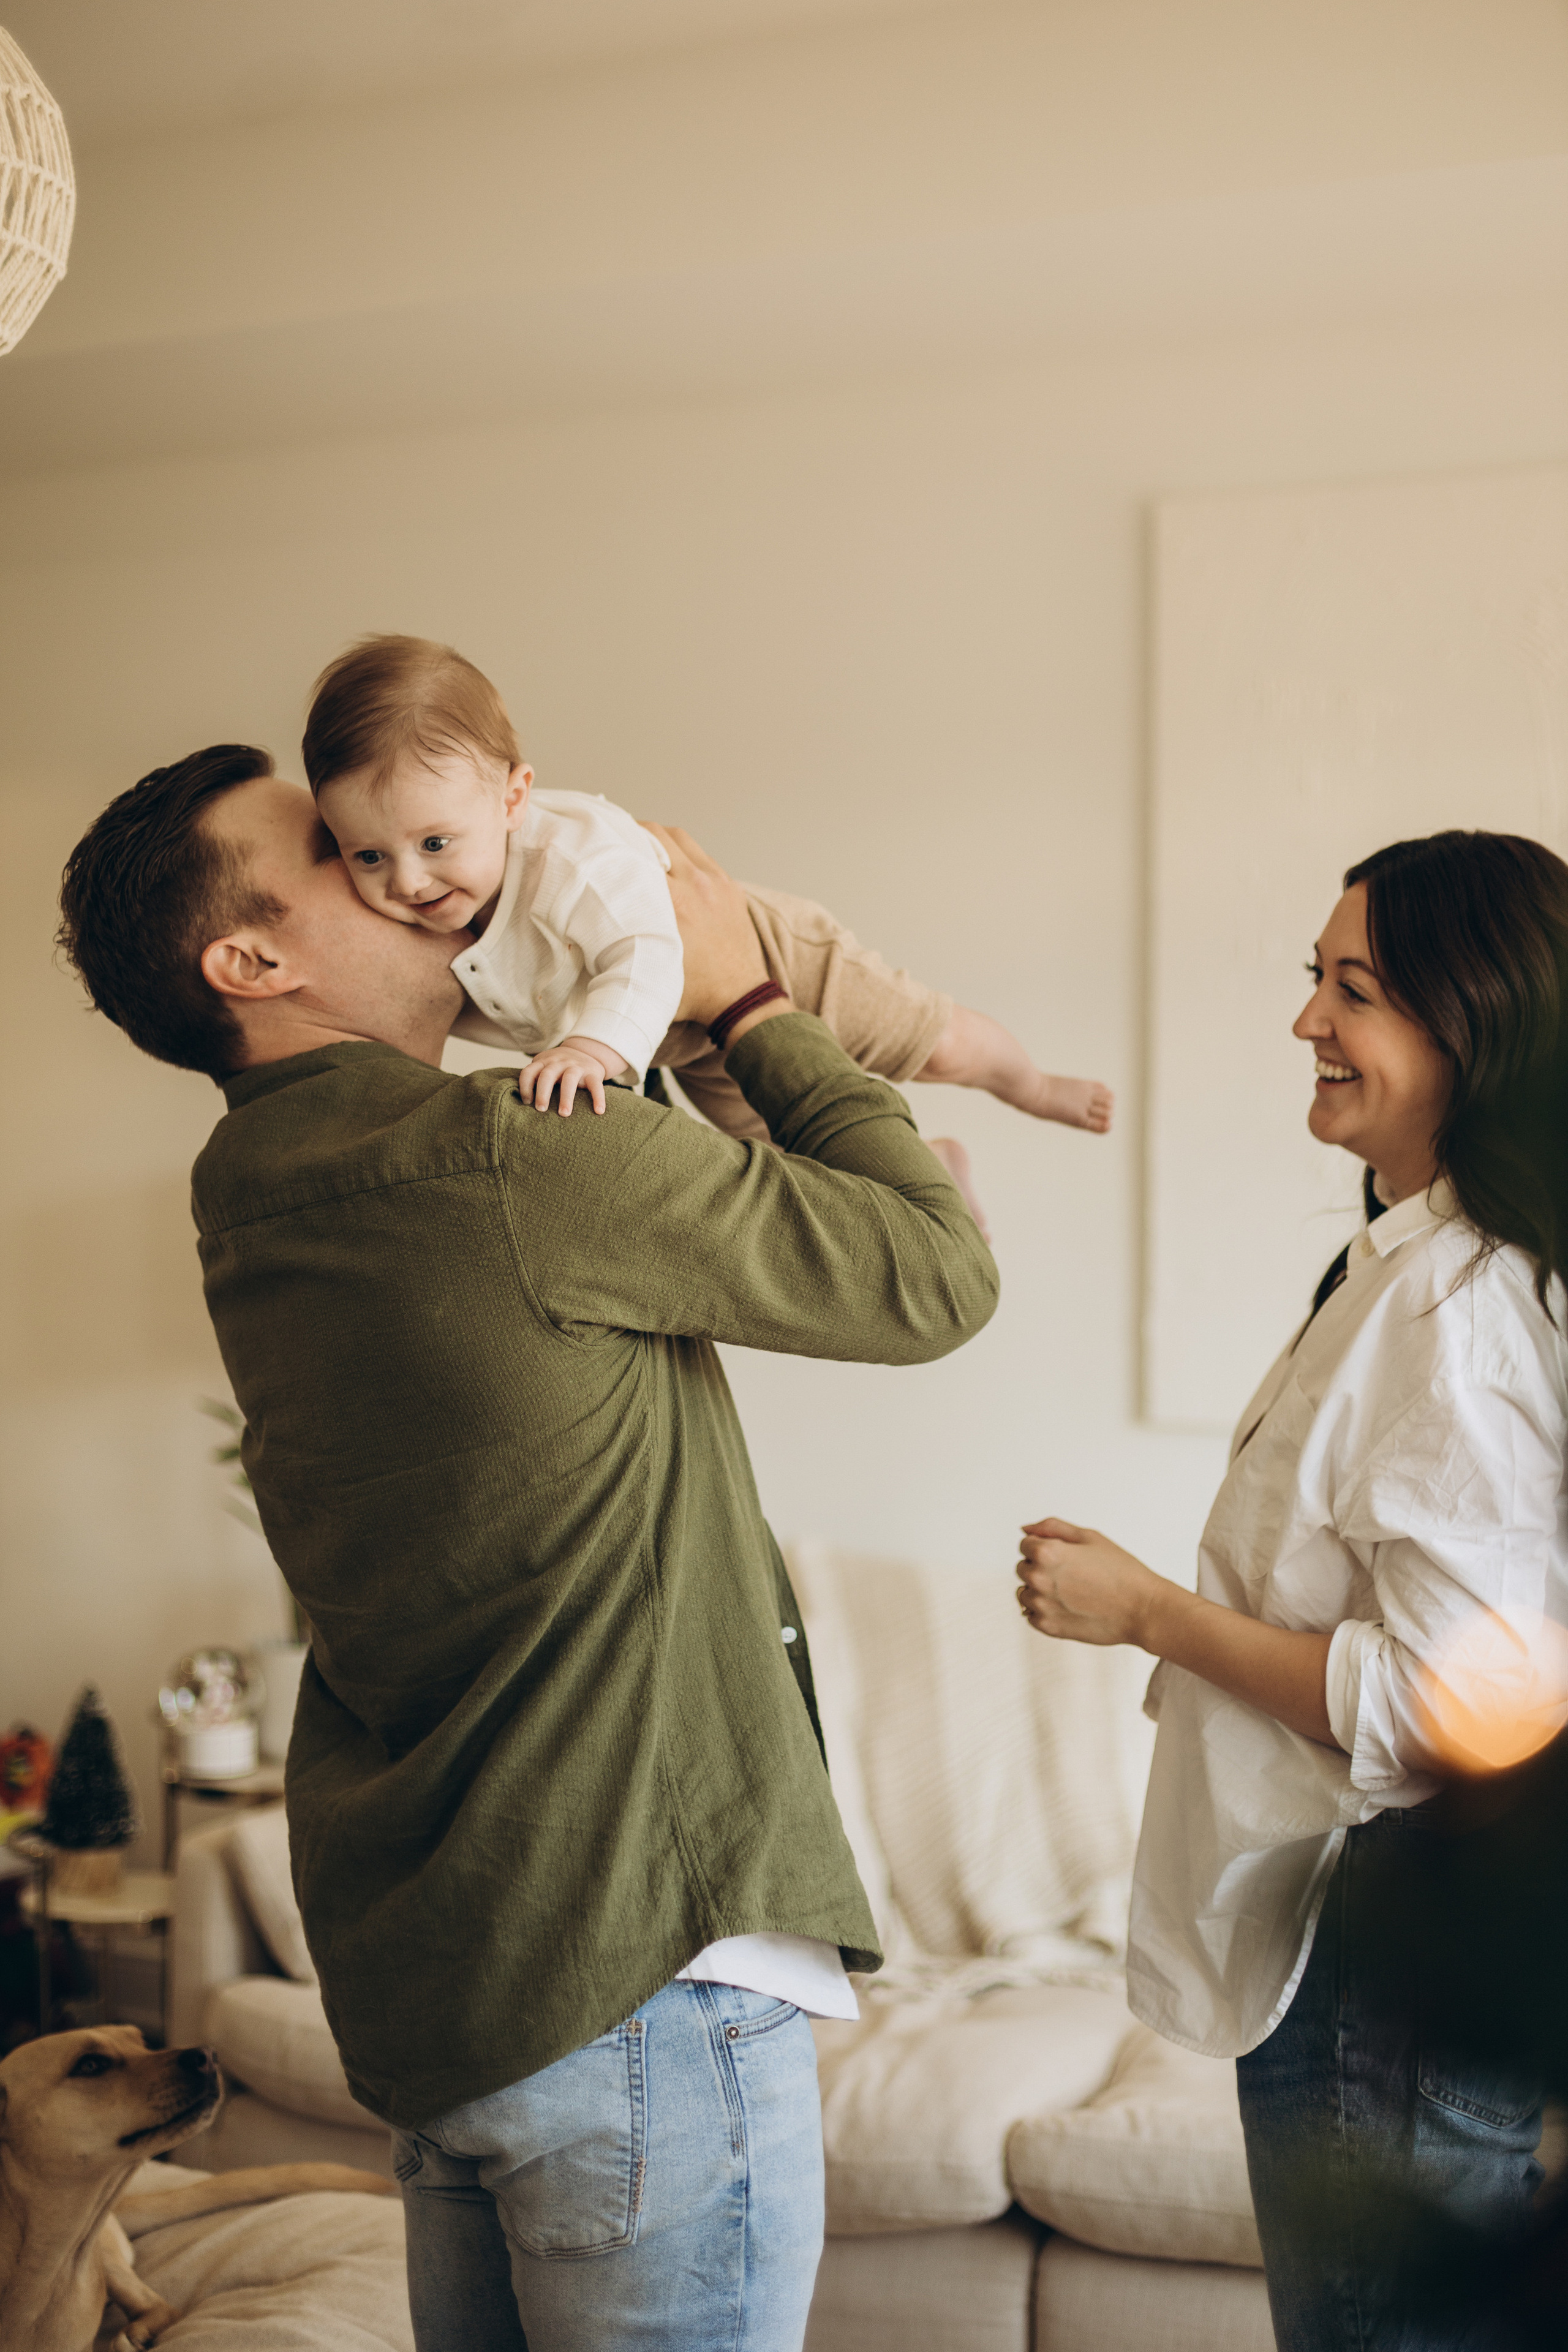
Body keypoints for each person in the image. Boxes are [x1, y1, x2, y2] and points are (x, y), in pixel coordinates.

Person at [55, 744, 999, 2352]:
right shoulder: (504, 1157)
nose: (401, 867)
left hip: (460, 1990)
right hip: (644, 1979)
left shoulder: (249, 1191)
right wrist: (751, 999)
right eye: (338, 858)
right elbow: (932, 1277)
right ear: (254, 960)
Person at [1012, 831, 1568, 2351]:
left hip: (1382, 1946)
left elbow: (1452, 1703)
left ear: (1474, 1026)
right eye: (1313, 981)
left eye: (1354, 989)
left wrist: (1145, 1615)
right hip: (1371, 1947)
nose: (1306, 1023)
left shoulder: (1462, 1316)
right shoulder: (1400, 1271)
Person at [301, 635, 1114, 1232]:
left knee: (934, 1044)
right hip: (683, 1041)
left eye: (435, 844)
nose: (406, 882)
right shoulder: (426, 914)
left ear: (513, 801)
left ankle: (1026, 1082)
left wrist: (590, 1051)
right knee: (795, 1153)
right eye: (369, 854)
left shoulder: (574, 859)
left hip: (761, 954)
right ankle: (935, 1163)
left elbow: (646, 957)